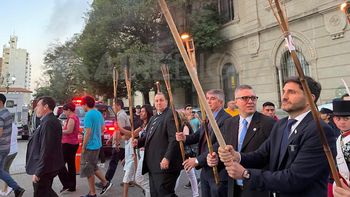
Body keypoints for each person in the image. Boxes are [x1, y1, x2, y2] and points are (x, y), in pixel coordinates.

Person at [217, 76, 336, 197]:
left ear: (310, 98)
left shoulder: (319, 130)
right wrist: (238, 156)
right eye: (284, 91)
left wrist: (246, 174)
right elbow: (262, 154)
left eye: (292, 92)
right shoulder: (281, 125)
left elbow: (295, 178)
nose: (284, 96)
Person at [208, 85, 275, 197]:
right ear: (236, 102)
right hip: (232, 186)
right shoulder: (229, 123)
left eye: (253, 98)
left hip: (257, 187)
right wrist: (214, 158)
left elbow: (270, 156)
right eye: (245, 98)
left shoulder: (269, 124)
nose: (250, 101)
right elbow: (223, 148)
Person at [176, 89, 231, 197]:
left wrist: (197, 160)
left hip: (218, 170)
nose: (208, 101)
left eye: (212, 98)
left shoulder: (226, 119)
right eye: (207, 98)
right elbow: (198, 136)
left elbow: (220, 144)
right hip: (205, 170)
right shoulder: (207, 118)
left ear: (220, 102)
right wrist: (184, 138)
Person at [133, 92, 182, 197]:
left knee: (165, 193)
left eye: (161, 100)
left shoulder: (171, 115)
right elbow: (148, 137)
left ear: (166, 102)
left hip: (165, 165)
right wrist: (138, 142)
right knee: (155, 193)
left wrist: (167, 158)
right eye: (156, 100)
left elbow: (174, 139)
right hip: (153, 165)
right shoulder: (153, 118)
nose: (159, 103)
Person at [26, 96, 63, 197]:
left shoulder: (48, 122)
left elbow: (46, 149)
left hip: (45, 168)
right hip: (47, 167)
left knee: (41, 192)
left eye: (38, 105)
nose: (36, 108)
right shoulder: (47, 120)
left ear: (46, 106)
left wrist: (38, 172)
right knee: (44, 191)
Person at [80, 96, 112, 197]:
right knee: (93, 167)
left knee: (89, 169)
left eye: (82, 105)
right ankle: (104, 183)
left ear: (85, 104)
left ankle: (93, 192)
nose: (82, 107)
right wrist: (96, 133)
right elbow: (103, 128)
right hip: (97, 144)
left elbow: (87, 132)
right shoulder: (98, 113)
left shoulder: (89, 115)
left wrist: (83, 146)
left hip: (90, 146)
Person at [175, 111, 199, 197]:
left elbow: (186, 139)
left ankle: (195, 194)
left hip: (185, 154)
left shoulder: (184, 126)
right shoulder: (179, 126)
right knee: (187, 174)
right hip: (182, 154)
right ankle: (195, 194)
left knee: (190, 175)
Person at [57, 102, 80, 192]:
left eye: (65, 111)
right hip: (72, 143)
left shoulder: (72, 118)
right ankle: (72, 186)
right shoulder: (75, 117)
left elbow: (69, 130)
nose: (64, 113)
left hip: (68, 144)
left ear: (69, 110)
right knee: (71, 165)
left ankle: (67, 183)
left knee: (59, 164)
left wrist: (60, 130)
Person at [133, 104, 153, 197]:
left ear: (148, 113)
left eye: (143, 111)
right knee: (145, 179)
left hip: (147, 154)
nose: (140, 113)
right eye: (140, 111)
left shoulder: (151, 124)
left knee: (139, 179)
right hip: (141, 153)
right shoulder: (143, 125)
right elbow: (133, 134)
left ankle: (151, 192)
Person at [333, 99, 350, 193]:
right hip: (342, 183)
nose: (342, 122)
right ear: (334, 120)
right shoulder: (339, 138)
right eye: (338, 119)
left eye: (346, 118)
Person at [0, 122, 21, 196]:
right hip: (14, 151)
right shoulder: (13, 125)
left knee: (3, 171)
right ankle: (6, 189)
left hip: (6, 152)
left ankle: (14, 187)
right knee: (5, 170)